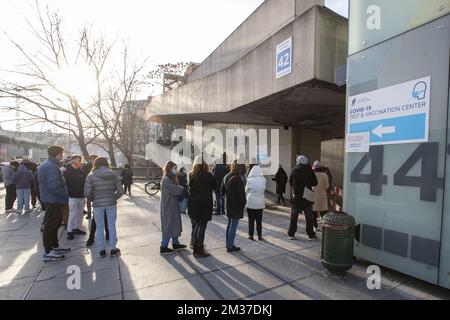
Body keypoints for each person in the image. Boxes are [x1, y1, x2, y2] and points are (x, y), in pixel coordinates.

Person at [84, 157, 123, 258]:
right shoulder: (113, 174)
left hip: (98, 204)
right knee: (111, 226)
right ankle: (113, 249)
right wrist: (113, 198)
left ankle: (102, 250)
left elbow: (87, 193)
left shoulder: (91, 176)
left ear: (95, 163)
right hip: (111, 203)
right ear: (106, 163)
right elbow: (120, 191)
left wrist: (94, 199)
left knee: (99, 227)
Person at [38, 146, 71, 262]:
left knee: (55, 224)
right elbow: (54, 186)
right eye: (62, 153)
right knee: (51, 225)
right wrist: (65, 195)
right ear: (58, 154)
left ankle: (55, 246)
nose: (63, 155)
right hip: (54, 199)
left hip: (51, 199)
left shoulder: (48, 164)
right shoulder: (52, 166)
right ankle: (48, 251)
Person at [188, 156, 217, 258]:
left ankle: (195, 248)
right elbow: (214, 185)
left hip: (194, 204)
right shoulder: (208, 175)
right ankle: (199, 250)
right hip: (204, 205)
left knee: (196, 226)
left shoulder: (191, 175)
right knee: (202, 228)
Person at [288, 155, 318, 241]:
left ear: (298, 161)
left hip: (296, 198)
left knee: (294, 217)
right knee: (309, 218)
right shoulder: (310, 171)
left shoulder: (293, 170)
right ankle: (310, 235)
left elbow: (290, 183)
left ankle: (291, 234)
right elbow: (315, 183)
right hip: (307, 198)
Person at [159, 161, 187, 255]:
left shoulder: (171, 178)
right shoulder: (166, 179)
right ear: (169, 168)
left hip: (172, 206)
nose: (176, 170)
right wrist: (182, 188)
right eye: (174, 168)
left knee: (174, 224)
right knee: (168, 226)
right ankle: (163, 246)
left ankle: (175, 243)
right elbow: (174, 190)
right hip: (168, 207)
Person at [222, 160, 246, 253]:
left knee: (229, 224)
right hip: (236, 207)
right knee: (233, 226)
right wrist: (243, 204)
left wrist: (226, 199)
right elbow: (242, 196)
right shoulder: (238, 179)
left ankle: (228, 243)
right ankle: (230, 245)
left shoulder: (226, 176)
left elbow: (222, 191)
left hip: (228, 205)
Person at [63, 155, 87, 240]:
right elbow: (64, 185)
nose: (81, 162)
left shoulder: (82, 172)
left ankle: (76, 228)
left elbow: (85, 183)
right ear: (74, 161)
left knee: (80, 214)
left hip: (81, 196)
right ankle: (70, 231)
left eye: (81, 161)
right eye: (79, 161)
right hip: (72, 197)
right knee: (72, 214)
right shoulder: (66, 172)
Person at [245, 165, 267, 241]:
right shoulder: (263, 179)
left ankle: (251, 235)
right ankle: (259, 235)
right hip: (260, 202)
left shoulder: (250, 179)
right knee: (259, 220)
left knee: (251, 220)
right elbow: (264, 189)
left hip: (251, 202)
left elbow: (246, 190)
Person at [312, 161, 330, 233]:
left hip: (313, 195)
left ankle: (315, 227)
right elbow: (327, 186)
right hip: (322, 196)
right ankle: (325, 228)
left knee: (314, 213)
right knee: (324, 213)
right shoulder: (324, 175)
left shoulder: (312, 174)